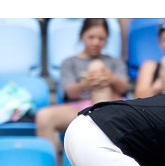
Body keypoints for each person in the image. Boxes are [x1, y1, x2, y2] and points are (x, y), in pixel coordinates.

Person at [35, 19, 129, 150]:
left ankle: (101, 133)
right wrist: (86, 84)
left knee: (97, 65)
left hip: (110, 107)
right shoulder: (69, 62)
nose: (96, 42)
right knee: (43, 117)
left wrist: (110, 78)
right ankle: (51, 164)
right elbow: (70, 93)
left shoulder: (114, 62)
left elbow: (124, 88)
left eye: (101, 38)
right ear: (82, 36)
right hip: (80, 109)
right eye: (91, 37)